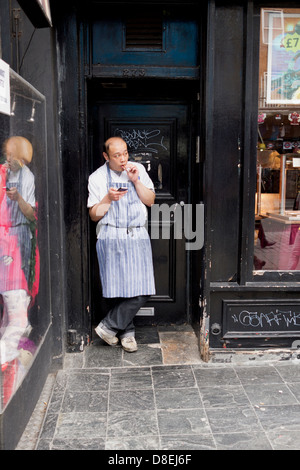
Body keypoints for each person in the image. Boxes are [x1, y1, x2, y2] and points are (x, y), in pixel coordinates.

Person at [87, 137, 156, 352]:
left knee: (142, 289)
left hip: (137, 235)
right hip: (112, 235)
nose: (123, 159)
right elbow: (93, 215)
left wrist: (136, 181)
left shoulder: (138, 170)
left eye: (125, 153)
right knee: (119, 289)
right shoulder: (97, 178)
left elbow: (150, 200)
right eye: (117, 155)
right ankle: (127, 334)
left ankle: (108, 327)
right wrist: (108, 199)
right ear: (106, 156)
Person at [0, 136, 37, 366]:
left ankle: (8, 355)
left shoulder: (27, 177)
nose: (8, 158)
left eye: (11, 154)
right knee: (14, 314)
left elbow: (31, 213)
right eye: (6, 153)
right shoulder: (5, 174)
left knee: (14, 310)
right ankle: (9, 353)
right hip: (8, 244)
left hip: (17, 242)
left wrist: (19, 198)